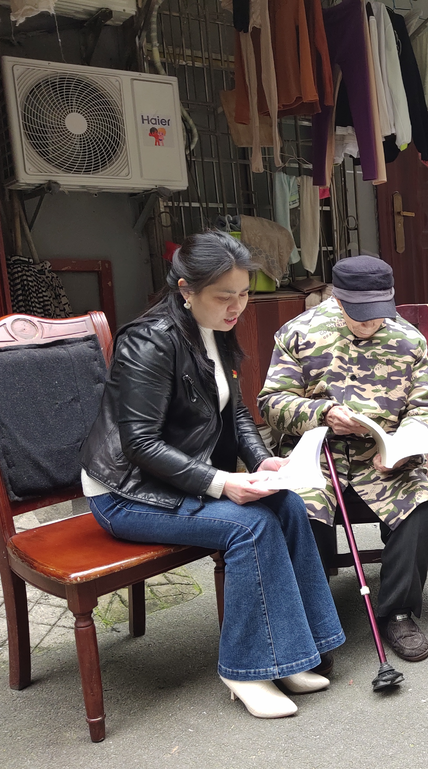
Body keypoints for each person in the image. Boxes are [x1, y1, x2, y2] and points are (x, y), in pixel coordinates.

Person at [80, 231, 344, 720]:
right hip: (125, 493)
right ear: (185, 290)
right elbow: (139, 444)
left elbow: (236, 412)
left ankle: (291, 652)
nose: (237, 307)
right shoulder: (149, 341)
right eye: (225, 296)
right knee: (251, 524)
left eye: (244, 293)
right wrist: (222, 483)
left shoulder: (215, 329)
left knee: (286, 503)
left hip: (176, 478)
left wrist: (262, 460)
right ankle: (246, 671)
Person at [258, 256, 428, 663]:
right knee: (300, 510)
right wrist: (320, 413)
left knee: (418, 507)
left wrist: (402, 446)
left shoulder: (408, 340)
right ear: (337, 299)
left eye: (377, 315)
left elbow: (427, 408)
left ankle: (398, 612)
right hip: (317, 456)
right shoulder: (298, 333)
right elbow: (271, 403)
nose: (370, 323)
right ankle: (314, 618)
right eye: (360, 316)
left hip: (382, 458)